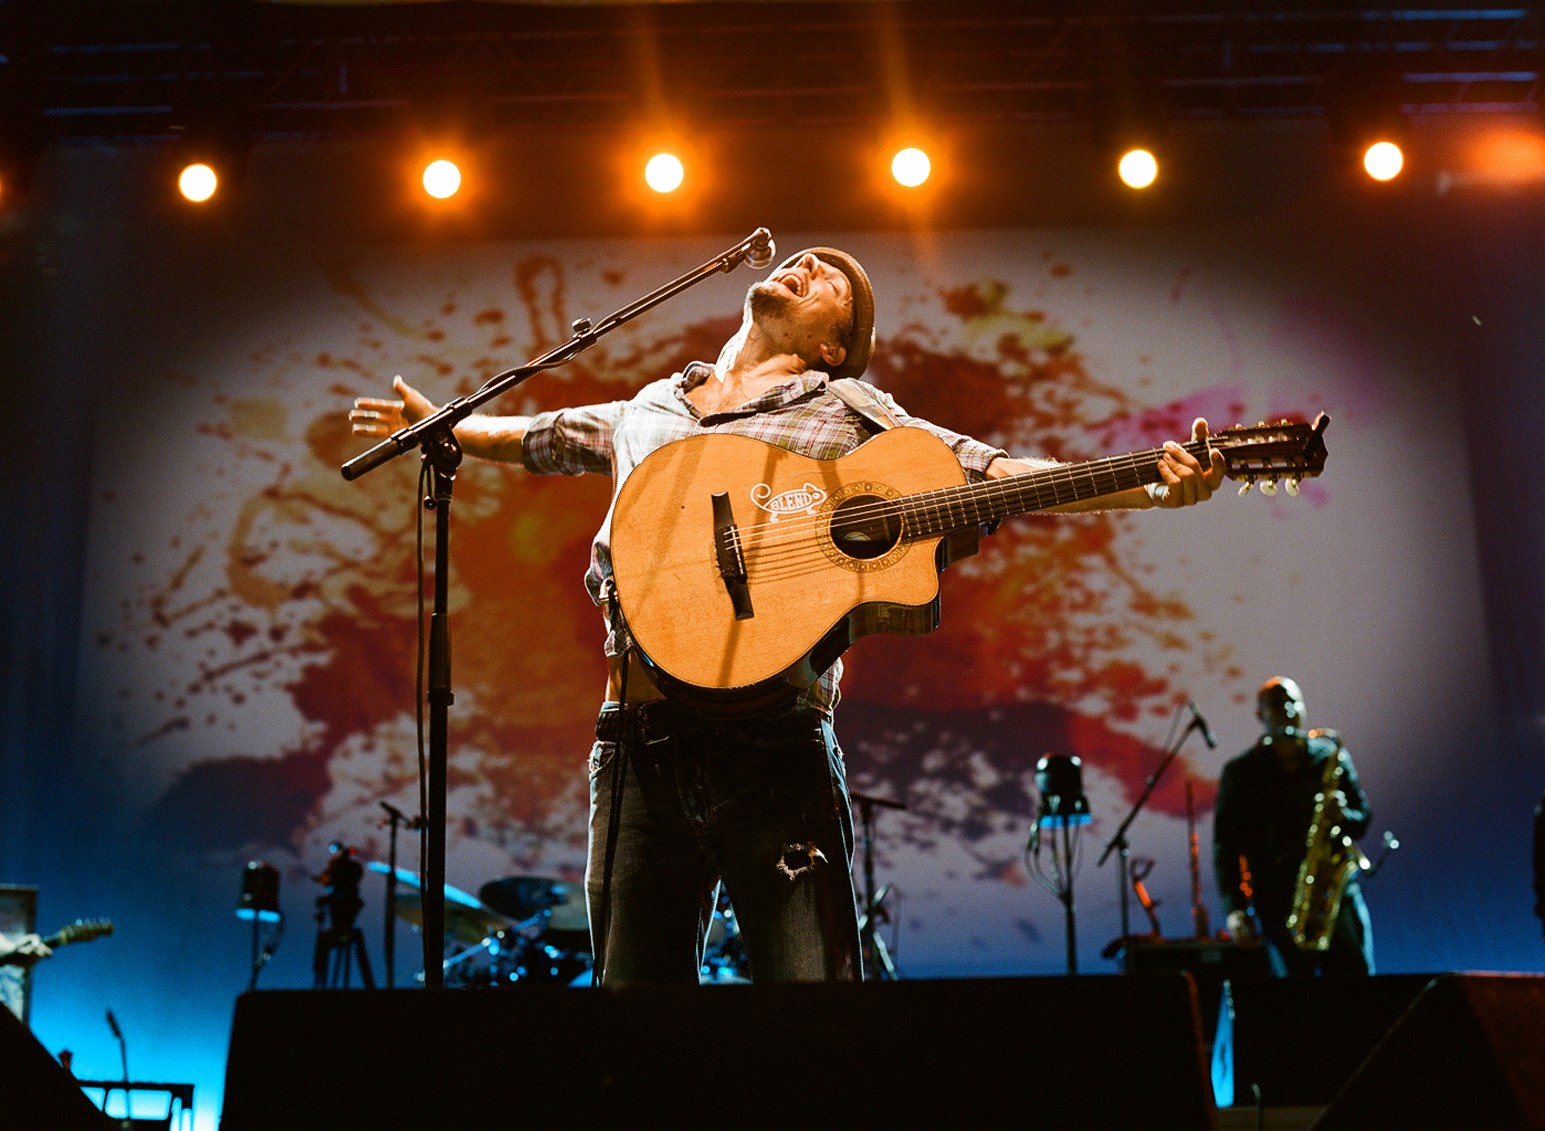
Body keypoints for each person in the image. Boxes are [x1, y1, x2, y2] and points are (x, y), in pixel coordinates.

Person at [351, 246, 1226, 983]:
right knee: (630, 1019)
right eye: (802, 258)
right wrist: (445, 428)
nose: (805, 263)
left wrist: (1148, 485)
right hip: (634, 740)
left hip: (774, 738)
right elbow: (538, 436)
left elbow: (992, 473)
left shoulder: (848, 410)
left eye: (831, 279)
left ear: (833, 345)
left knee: (814, 1010)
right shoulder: (650, 407)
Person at [1213, 676, 1374, 976]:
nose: (1287, 709)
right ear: (1260, 714)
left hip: (1336, 897)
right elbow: (1226, 846)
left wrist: (1343, 815)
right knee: (1294, 996)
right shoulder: (1241, 772)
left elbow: (1363, 818)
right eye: (1277, 704)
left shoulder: (1329, 757)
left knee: (1357, 988)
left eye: (1292, 701)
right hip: (1277, 900)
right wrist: (1235, 908)